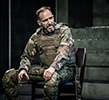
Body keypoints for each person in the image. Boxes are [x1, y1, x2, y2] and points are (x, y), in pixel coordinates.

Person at [2, 6, 76, 100]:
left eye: (51, 18)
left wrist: (53, 68)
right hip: (45, 70)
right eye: (45, 20)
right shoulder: (37, 36)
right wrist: (23, 69)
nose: (50, 22)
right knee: (9, 76)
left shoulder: (64, 31)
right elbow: (27, 56)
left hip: (65, 70)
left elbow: (63, 53)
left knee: (51, 79)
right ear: (39, 23)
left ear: (53, 17)